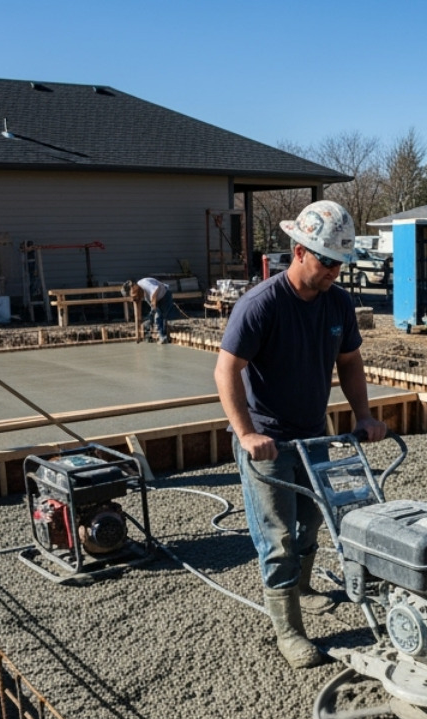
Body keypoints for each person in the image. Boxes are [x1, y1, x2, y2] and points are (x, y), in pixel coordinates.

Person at [214, 200, 386, 669]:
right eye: (326, 261)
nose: (334, 271)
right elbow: (227, 370)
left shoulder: (338, 303)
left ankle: (305, 587)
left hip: (313, 435)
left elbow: (349, 361)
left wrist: (364, 416)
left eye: (340, 263)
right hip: (268, 439)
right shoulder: (261, 304)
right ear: (299, 251)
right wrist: (246, 434)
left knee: (315, 521)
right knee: (278, 538)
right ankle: (288, 631)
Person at [129, 277, 174, 343]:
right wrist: (152, 310)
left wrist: (153, 300)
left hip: (165, 295)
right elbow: (152, 306)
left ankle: (163, 337)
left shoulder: (144, 283)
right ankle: (157, 335)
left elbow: (156, 288)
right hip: (158, 299)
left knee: (160, 317)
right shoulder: (143, 293)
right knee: (155, 316)